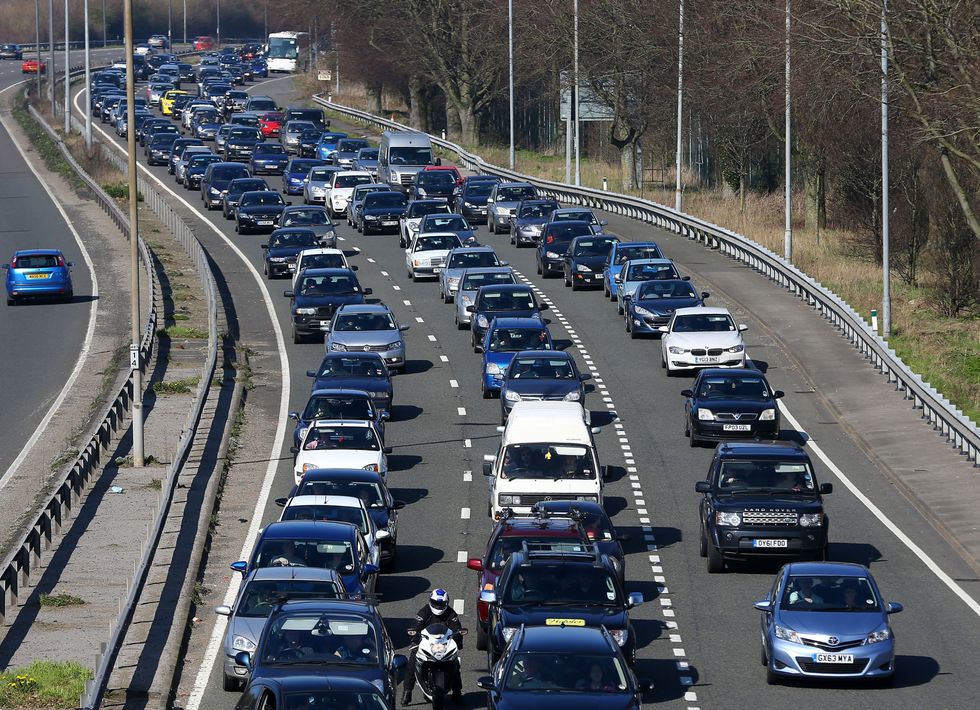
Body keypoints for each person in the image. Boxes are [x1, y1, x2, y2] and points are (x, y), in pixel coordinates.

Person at [402, 589, 463, 706]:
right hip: (426, 644)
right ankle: (407, 692)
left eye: (441, 604)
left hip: (444, 645)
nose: (438, 606)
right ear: (430, 601)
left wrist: (457, 638)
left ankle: (457, 693)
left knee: (455, 663)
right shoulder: (424, 612)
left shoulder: (451, 613)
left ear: (446, 603)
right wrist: (415, 638)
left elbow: (457, 629)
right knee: (412, 660)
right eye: (436, 603)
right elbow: (415, 625)